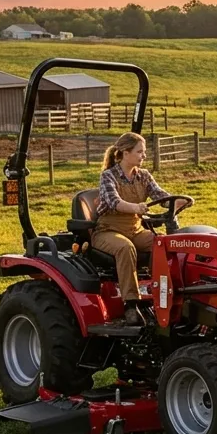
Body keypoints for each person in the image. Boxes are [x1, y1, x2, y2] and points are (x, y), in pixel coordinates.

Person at [92, 132, 171, 325]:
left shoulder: (143, 176)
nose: (144, 156)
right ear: (126, 153)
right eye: (140, 152)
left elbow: (160, 195)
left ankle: (157, 295)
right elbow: (114, 201)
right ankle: (131, 304)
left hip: (135, 229)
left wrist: (175, 202)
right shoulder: (108, 176)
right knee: (125, 248)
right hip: (108, 230)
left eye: (144, 152)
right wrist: (136, 208)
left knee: (161, 243)